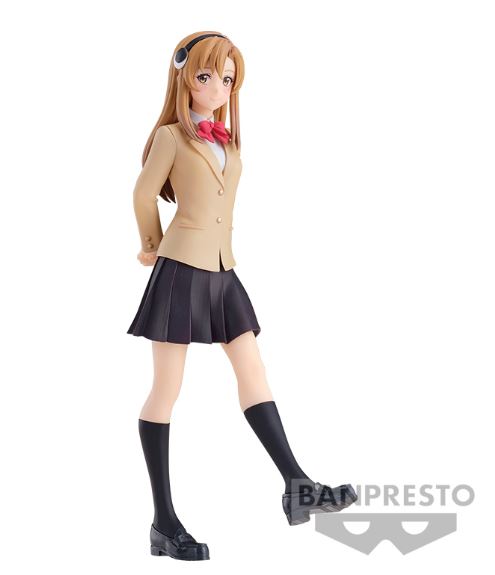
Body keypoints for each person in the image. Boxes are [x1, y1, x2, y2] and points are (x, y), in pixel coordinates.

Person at [127, 31, 357, 561]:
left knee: (254, 370)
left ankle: (298, 486)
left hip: (223, 269)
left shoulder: (227, 142)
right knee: (166, 389)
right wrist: (151, 245)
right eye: (207, 77)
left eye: (228, 79)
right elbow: (143, 193)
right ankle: (163, 522)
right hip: (180, 268)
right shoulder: (171, 137)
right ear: (185, 77)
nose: (218, 88)